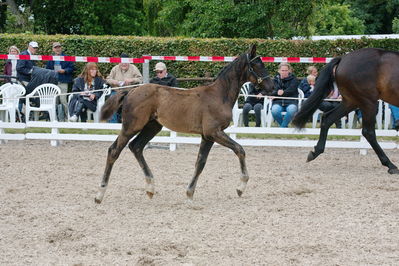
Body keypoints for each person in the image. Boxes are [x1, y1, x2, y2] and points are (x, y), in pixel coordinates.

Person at [106, 53, 143, 123]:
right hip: (117, 92)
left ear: (128, 61)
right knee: (111, 102)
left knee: (132, 104)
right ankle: (113, 125)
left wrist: (131, 80)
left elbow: (140, 79)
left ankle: (130, 124)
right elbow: (108, 79)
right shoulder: (115, 68)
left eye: (126, 62)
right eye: (122, 62)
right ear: (119, 62)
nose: (124, 64)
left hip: (130, 92)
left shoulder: (134, 68)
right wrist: (116, 82)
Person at [46, 42, 75, 121]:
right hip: (53, 82)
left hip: (63, 81)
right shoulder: (50, 58)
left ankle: (67, 118)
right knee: (54, 101)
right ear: (53, 49)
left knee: (63, 100)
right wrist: (52, 72)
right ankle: (54, 118)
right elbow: (47, 69)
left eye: (58, 47)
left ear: (61, 48)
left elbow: (72, 68)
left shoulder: (66, 57)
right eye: (56, 47)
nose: (57, 49)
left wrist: (64, 71)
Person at [270, 62, 300, 128]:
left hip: (291, 102)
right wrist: (277, 93)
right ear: (279, 71)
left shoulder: (294, 80)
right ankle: (284, 127)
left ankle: (282, 128)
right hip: (278, 102)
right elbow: (271, 91)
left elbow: (291, 90)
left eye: (286, 70)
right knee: (274, 111)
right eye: (282, 70)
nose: (284, 72)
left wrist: (282, 92)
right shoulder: (274, 80)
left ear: (289, 71)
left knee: (292, 110)